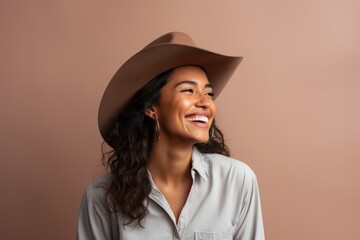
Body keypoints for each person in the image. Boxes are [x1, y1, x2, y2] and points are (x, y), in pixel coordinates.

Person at [77, 32, 265, 240]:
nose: (205, 102)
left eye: (209, 93)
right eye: (188, 91)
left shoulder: (237, 181)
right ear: (152, 107)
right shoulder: (101, 198)